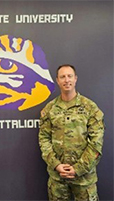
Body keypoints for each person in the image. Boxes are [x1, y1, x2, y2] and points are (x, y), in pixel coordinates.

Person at [38, 64, 105, 200]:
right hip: (58, 178)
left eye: (70, 76)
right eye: (62, 77)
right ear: (57, 80)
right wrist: (56, 165)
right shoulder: (50, 109)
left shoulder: (90, 108)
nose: (66, 80)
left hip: (84, 179)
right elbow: (44, 139)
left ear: (75, 79)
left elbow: (96, 143)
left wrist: (78, 168)